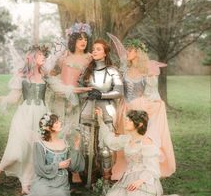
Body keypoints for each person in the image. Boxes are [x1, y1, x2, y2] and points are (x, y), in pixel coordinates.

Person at [96, 108, 196, 196]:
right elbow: (110, 140)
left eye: (129, 120)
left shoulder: (146, 143)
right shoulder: (127, 139)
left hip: (145, 179)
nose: (126, 122)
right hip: (129, 178)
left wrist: (139, 181)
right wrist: (100, 119)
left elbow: (153, 170)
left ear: (139, 124)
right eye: (126, 120)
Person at [0, 45, 55, 194]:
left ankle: (25, 183)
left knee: (33, 150)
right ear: (33, 58)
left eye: (44, 55)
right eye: (41, 55)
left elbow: (58, 89)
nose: (44, 58)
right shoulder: (22, 76)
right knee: (18, 149)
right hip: (24, 115)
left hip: (42, 115)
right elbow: (14, 98)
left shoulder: (45, 76)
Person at [108, 34, 176, 181]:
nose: (127, 53)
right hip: (124, 107)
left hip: (138, 107)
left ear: (138, 52)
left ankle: (142, 167)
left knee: (139, 137)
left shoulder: (147, 71)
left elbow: (151, 93)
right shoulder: (125, 70)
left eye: (130, 50)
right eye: (127, 50)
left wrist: (154, 103)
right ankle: (125, 166)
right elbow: (121, 88)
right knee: (125, 137)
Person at [1, 113, 85, 196]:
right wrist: (58, 166)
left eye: (59, 121)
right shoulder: (40, 145)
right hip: (44, 180)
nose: (60, 124)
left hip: (60, 182)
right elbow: (39, 168)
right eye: (56, 123)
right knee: (42, 195)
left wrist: (76, 146)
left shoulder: (64, 143)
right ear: (48, 128)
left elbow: (73, 166)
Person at [48, 23, 93, 183]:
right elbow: (53, 73)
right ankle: (58, 165)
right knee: (59, 130)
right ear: (73, 40)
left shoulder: (89, 58)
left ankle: (74, 170)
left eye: (86, 39)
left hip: (78, 99)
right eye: (80, 39)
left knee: (74, 131)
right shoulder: (64, 56)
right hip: (60, 99)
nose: (83, 42)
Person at [79, 39, 123, 186]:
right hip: (87, 110)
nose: (95, 51)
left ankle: (105, 181)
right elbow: (79, 90)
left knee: (105, 148)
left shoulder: (112, 71)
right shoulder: (86, 71)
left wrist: (102, 95)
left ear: (105, 53)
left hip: (106, 111)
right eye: (94, 49)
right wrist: (86, 94)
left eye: (98, 49)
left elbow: (119, 92)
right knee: (86, 148)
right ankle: (89, 179)